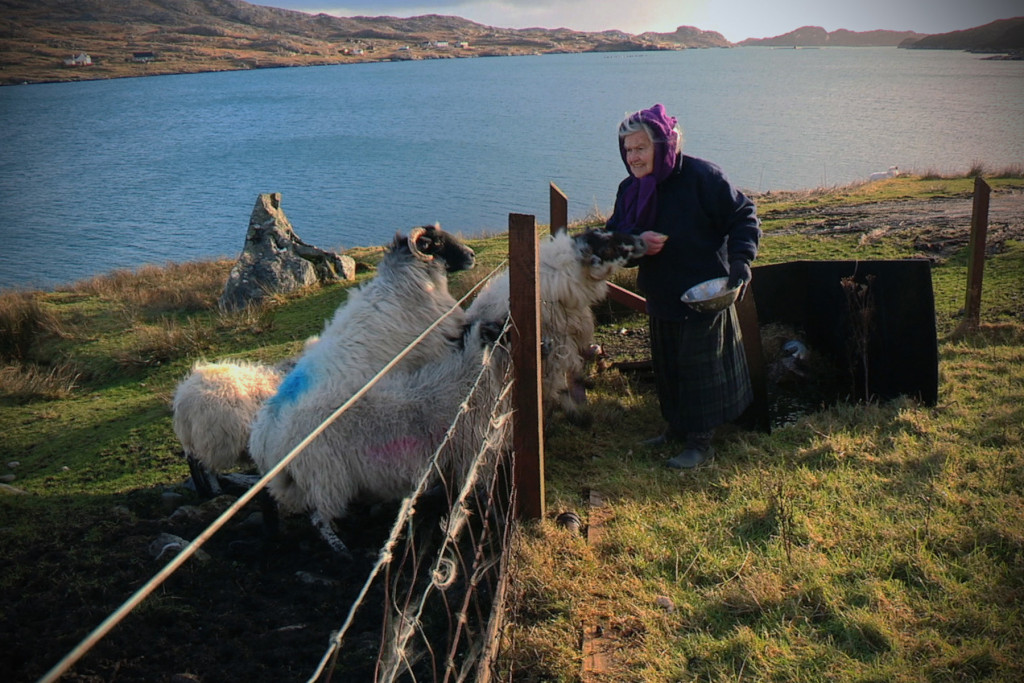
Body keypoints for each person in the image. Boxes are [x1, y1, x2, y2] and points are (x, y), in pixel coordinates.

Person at [606, 103, 761, 469]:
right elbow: (615, 237)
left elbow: (743, 215)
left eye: (641, 147)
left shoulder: (703, 177)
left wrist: (741, 261)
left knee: (699, 370)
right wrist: (636, 241)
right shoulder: (630, 189)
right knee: (670, 365)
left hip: (704, 292)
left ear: (663, 144)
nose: (633, 157)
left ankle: (700, 442)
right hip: (661, 292)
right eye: (627, 149)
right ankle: (676, 428)